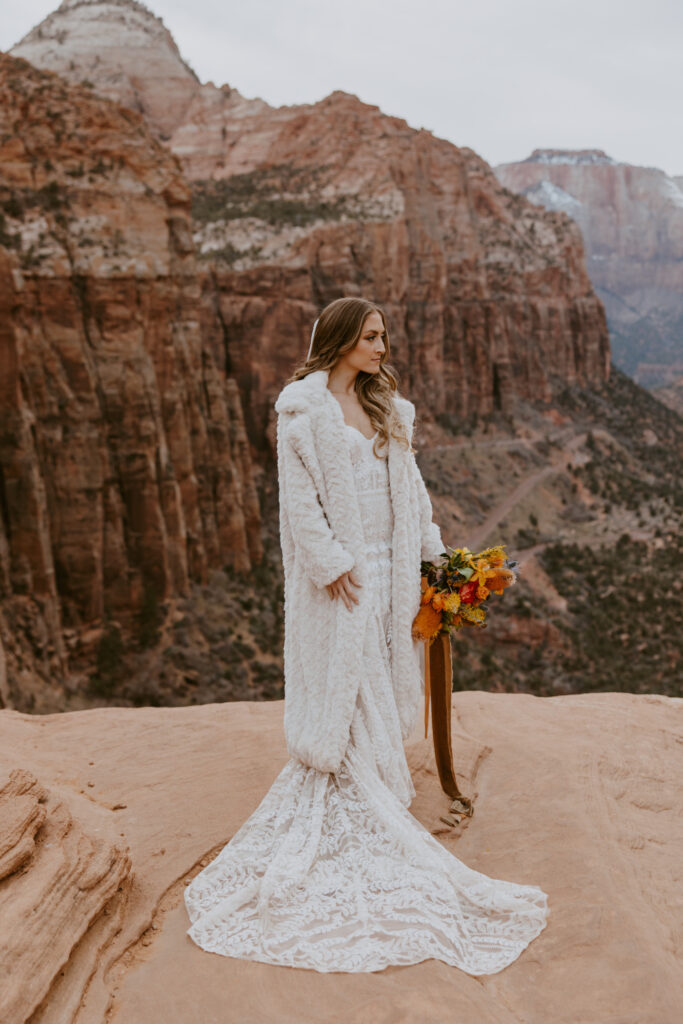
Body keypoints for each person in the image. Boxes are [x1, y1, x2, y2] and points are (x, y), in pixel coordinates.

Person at [184, 297, 549, 973]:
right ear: (344, 340)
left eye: (383, 336)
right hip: (346, 577)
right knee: (348, 691)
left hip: (393, 571)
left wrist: (436, 558)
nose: (383, 347)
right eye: (373, 337)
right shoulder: (304, 410)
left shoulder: (389, 410)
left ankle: (380, 780)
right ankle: (360, 789)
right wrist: (329, 565)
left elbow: (412, 498)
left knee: (383, 678)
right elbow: (297, 503)